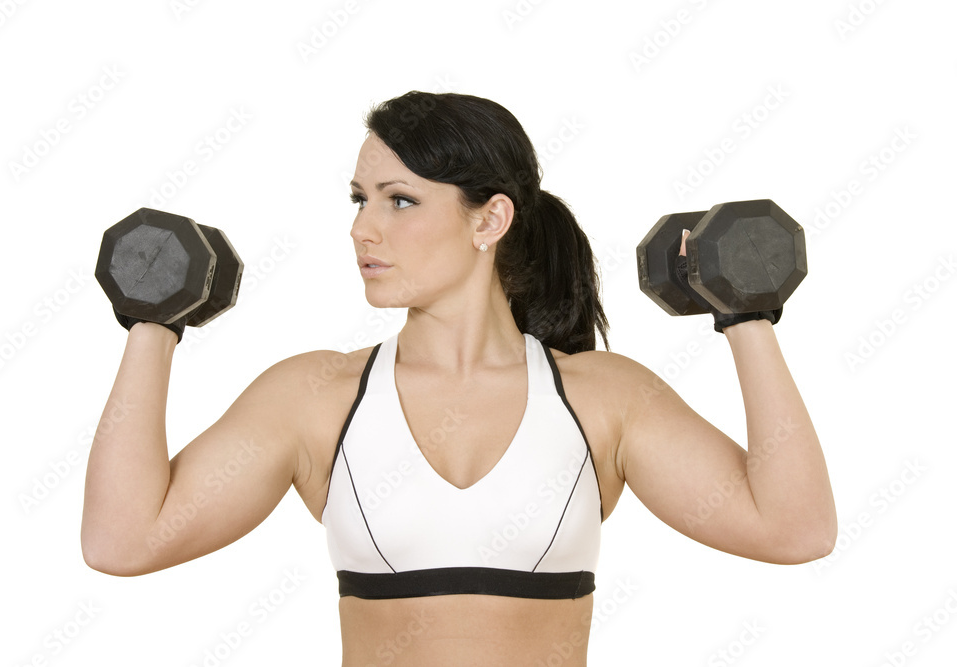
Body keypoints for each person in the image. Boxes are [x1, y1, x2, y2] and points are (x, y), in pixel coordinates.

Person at [81, 91, 837, 666]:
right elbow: (123, 539)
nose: (362, 228)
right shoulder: (313, 398)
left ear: (489, 220)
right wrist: (155, 322)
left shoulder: (603, 398)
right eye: (360, 199)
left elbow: (795, 529)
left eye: (400, 200)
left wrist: (745, 316)